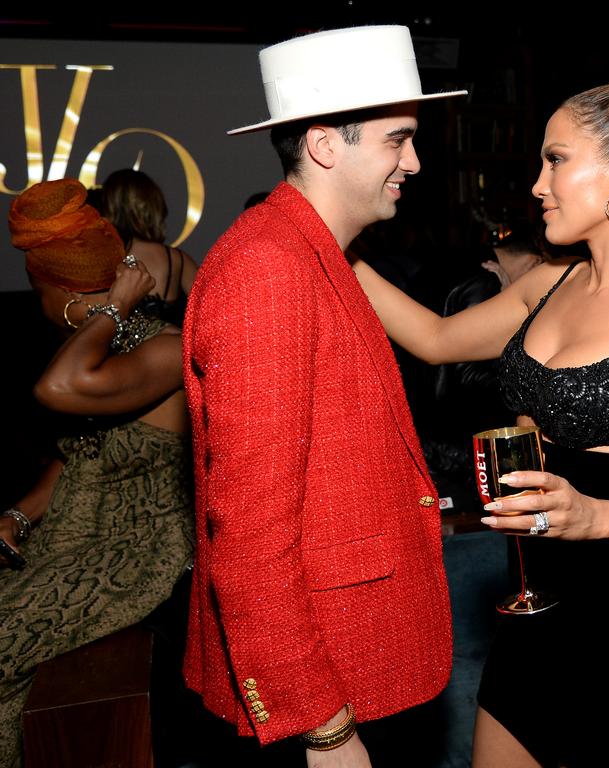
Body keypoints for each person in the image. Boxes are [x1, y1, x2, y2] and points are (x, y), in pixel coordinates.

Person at [353, 46, 609, 768]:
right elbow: (437, 340)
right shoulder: (553, 281)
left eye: (556, 160)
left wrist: (596, 516)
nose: (537, 185)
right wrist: (328, 242)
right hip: (531, 608)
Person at [181, 26, 465, 767]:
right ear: (324, 145)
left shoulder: (314, 252)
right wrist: (324, 727)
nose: (415, 161)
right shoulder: (268, 269)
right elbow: (246, 536)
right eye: (398, 140)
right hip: (328, 689)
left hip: (359, 653)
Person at [1, 178, 194, 767]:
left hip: (132, 555)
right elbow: (80, 454)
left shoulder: (163, 350)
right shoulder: (96, 344)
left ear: (58, 293)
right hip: (69, 541)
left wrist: (113, 307)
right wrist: (17, 514)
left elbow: (55, 389)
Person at [99, 168, 199, 326]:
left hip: (108, 349)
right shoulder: (177, 259)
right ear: (155, 206)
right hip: (166, 348)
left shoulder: (100, 255)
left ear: (108, 206)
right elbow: (213, 307)